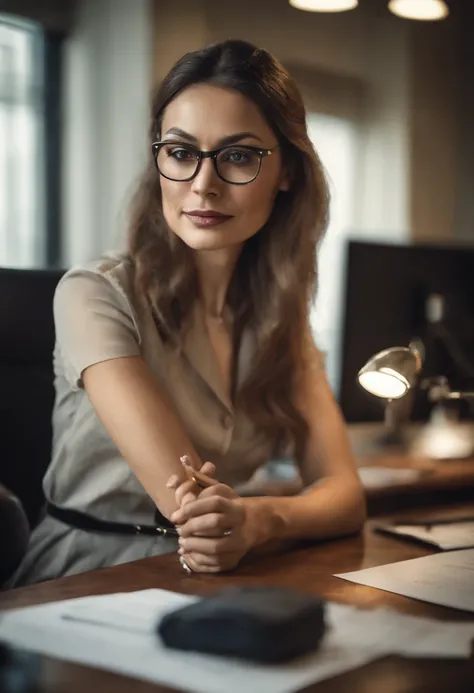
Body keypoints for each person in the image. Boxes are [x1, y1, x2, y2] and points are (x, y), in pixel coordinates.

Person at [9, 39, 365, 587]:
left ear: (288, 171)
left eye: (239, 155)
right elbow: (191, 508)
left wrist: (261, 517)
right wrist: (259, 518)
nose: (203, 184)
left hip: (222, 573)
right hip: (87, 577)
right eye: (180, 152)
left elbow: (345, 497)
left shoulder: (279, 321)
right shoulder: (94, 294)